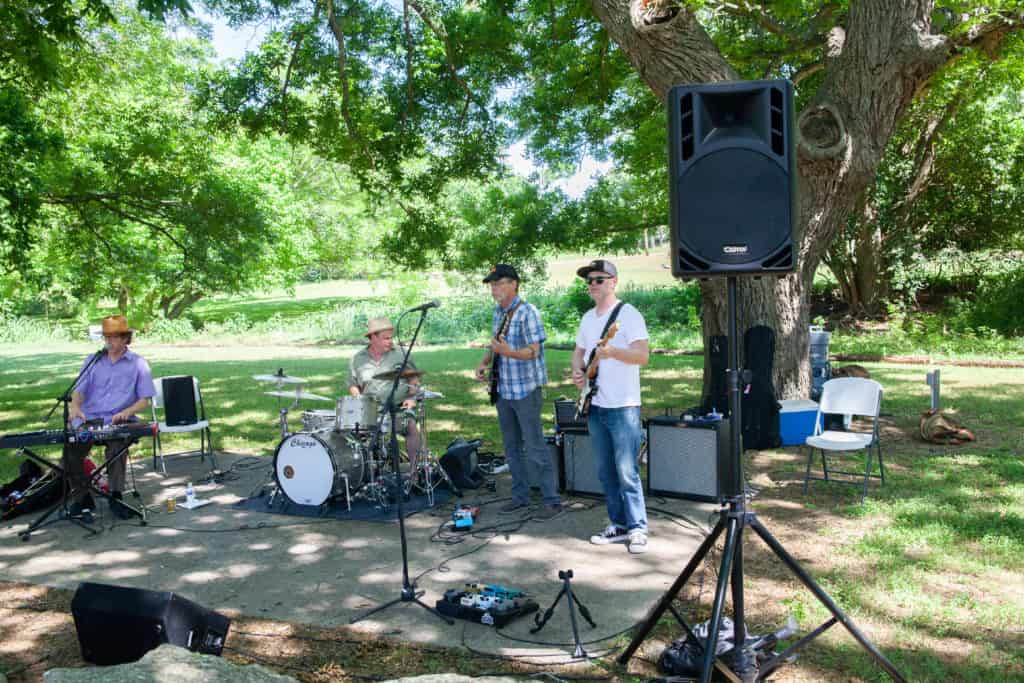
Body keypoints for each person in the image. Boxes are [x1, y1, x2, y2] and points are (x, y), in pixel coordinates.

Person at [570, 259, 651, 554]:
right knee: (605, 470)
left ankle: (638, 528)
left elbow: (642, 356)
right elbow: (578, 352)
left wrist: (613, 352)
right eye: (589, 280)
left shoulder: (629, 315)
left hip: (623, 405)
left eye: (599, 279)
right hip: (596, 404)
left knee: (627, 470)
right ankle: (618, 524)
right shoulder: (587, 318)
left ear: (614, 282)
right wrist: (577, 371)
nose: (592, 284)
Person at [474, 264, 562, 518]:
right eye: (492, 284)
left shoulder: (527, 312)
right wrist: (483, 362)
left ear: (514, 284)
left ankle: (551, 500)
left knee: (535, 446)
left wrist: (508, 352)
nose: (494, 288)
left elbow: (533, 350)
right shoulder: (497, 312)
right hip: (503, 390)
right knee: (511, 447)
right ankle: (520, 496)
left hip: (525, 390)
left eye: (499, 283)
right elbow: (495, 345)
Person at [66, 315, 156, 520]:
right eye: (106, 337)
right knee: (71, 448)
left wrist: (126, 412)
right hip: (89, 418)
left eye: (114, 337)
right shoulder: (93, 360)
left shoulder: (138, 363)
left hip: (119, 419)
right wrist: (75, 407)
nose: (109, 341)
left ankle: (116, 497)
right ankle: (82, 499)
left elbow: (144, 400)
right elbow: (79, 390)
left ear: (126, 338)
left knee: (117, 448)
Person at [348, 317, 424, 467]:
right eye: (386, 338)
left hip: (398, 406)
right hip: (371, 409)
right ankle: (366, 473)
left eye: (391, 337)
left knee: (410, 426)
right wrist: (359, 401)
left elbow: (413, 379)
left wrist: (411, 398)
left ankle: (416, 471)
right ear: (373, 337)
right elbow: (353, 385)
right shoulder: (357, 359)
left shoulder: (400, 355)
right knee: (354, 434)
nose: (390, 341)